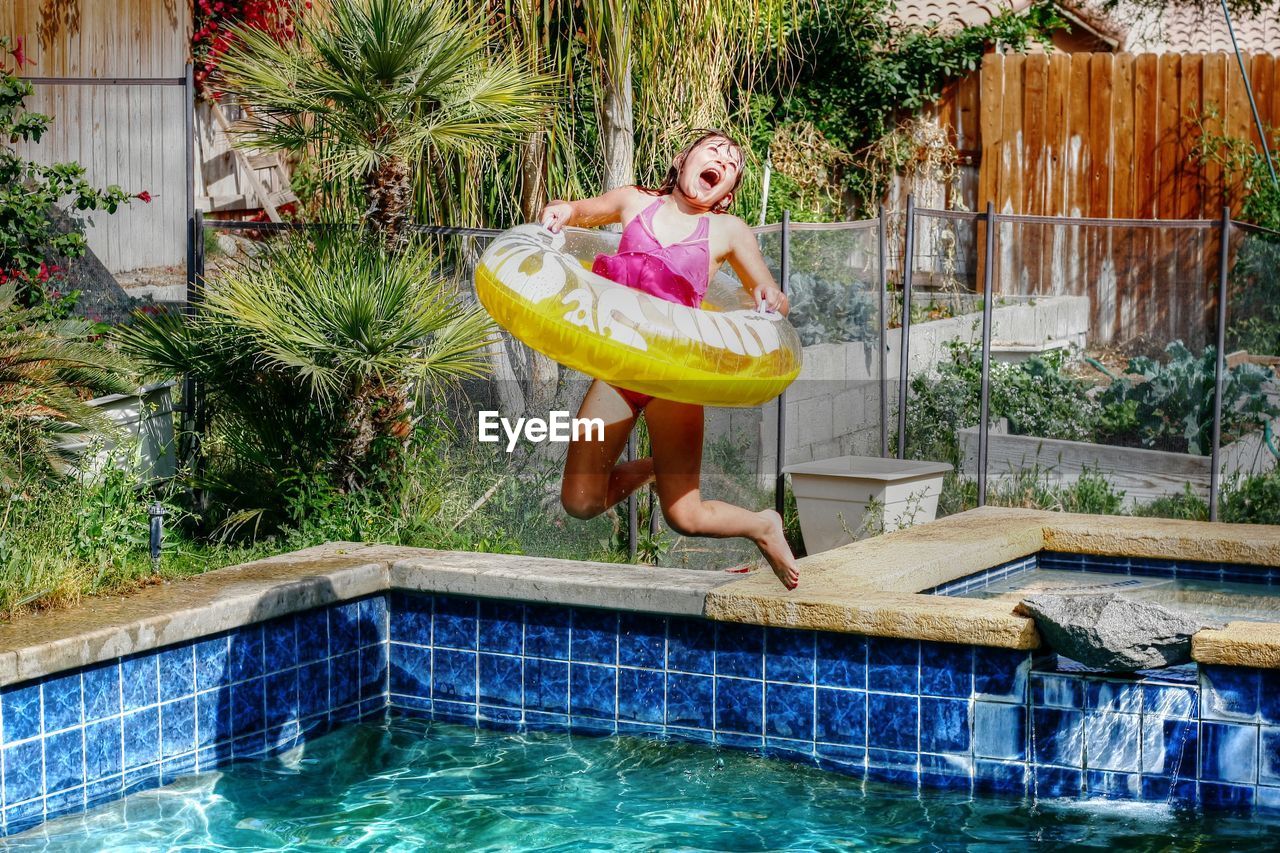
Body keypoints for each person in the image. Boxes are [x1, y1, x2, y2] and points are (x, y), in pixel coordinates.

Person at [540, 130, 799, 590]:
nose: (722, 159)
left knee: (685, 516)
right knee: (580, 501)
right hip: (620, 368)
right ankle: (656, 468)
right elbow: (582, 211)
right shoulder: (634, 202)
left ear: (727, 192)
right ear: (682, 160)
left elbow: (768, 291)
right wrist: (565, 209)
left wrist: (772, 297)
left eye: (732, 163)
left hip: (676, 376)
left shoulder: (727, 231)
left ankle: (763, 524)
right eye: (713, 149)